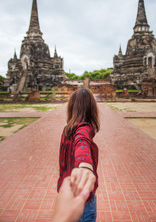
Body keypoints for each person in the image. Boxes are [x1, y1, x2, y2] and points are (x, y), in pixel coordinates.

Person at [57, 88, 100, 222]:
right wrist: (85, 166)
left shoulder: (68, 129)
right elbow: (82, 144)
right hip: (82, 196)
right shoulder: (83, 129)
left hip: (66, 193)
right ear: (91, 108)